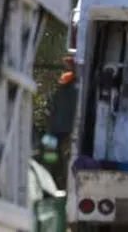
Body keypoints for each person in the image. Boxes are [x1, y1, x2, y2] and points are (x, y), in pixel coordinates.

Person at [42, 56, 78, 187]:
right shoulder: (70, 87)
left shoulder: (69, 89)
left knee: (56, 158)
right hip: (61, 129)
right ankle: (56, 183)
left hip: (60, 129)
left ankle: (55, 183)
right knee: (58, 158)